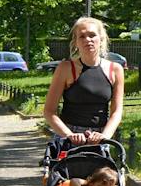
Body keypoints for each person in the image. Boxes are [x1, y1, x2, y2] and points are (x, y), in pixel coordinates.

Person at [44, 17, 124, 146]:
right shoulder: (65, 68)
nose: (88, 40)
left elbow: (116, 112)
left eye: (92, 35)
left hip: (99, 137)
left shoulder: (115, 70)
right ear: (75, 42)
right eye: (82, 36)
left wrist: (105, 136)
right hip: (70, 136)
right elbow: (49, 111)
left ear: (101, 39)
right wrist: (69, 135)